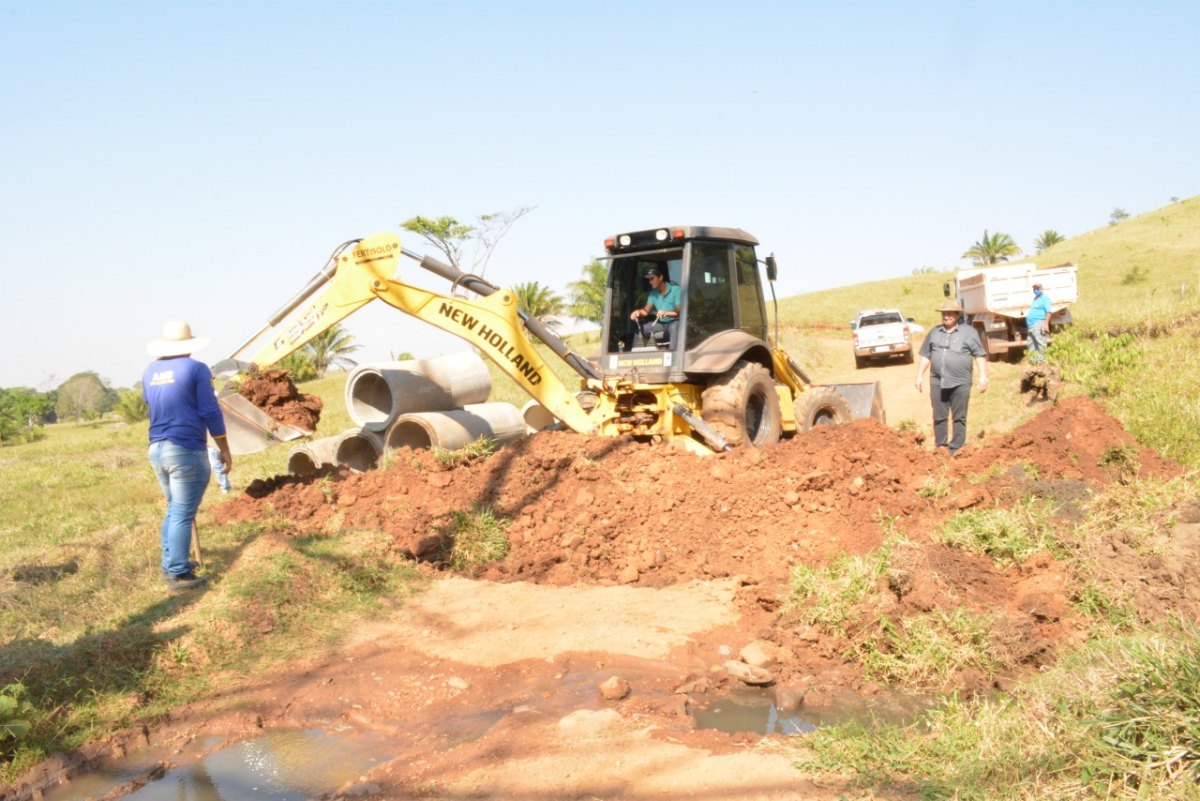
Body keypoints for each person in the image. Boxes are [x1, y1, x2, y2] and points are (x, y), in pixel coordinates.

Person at [142, 320, 232, 592]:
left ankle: (170, 563)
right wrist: (223, 446)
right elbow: (210, 410)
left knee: (174, 508)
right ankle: (179, 574)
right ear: (190, 344)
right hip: (185, 448)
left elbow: (150, 402)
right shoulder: (196, 369)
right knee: (182, 511)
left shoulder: (150, 371)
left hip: (157, 448)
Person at [915, 300, 989, 455]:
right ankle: (941, 447)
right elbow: (926, 356)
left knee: (959, 417)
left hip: (961, 382)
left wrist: (983, 376)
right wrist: (919, 376)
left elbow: (979, 355)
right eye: (944, 313)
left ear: (957, 315)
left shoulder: (968, 332)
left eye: (949, 313)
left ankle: (956, 448)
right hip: (937, 381)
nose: (946, 316)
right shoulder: (935, 332)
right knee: (939, 416)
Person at [629, 265, 681, 348]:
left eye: (652, 278)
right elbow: (646, 311)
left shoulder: (676, 289)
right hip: (661, 324)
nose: (650, 282)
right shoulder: (653, 294)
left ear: (660, 277)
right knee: (640, 330)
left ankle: (672, 354)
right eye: (649, 280)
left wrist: (666, 313)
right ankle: (634, 353)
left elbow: (679, 311)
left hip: (675, 322)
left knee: (675, 327)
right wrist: (638, 312)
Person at [1025, 281, 1053, 365]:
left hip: (1038, 323)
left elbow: (1049, 312)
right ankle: (1034, 362)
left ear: (1041, 289)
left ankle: (1043, 363)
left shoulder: (1045, 298)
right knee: (1031, 343)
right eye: (1034, 288)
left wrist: (1046, 324)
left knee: (1040, 343)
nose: (1035, 290)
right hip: (1031, 325)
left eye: (1037, 288)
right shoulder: (1036, 298)